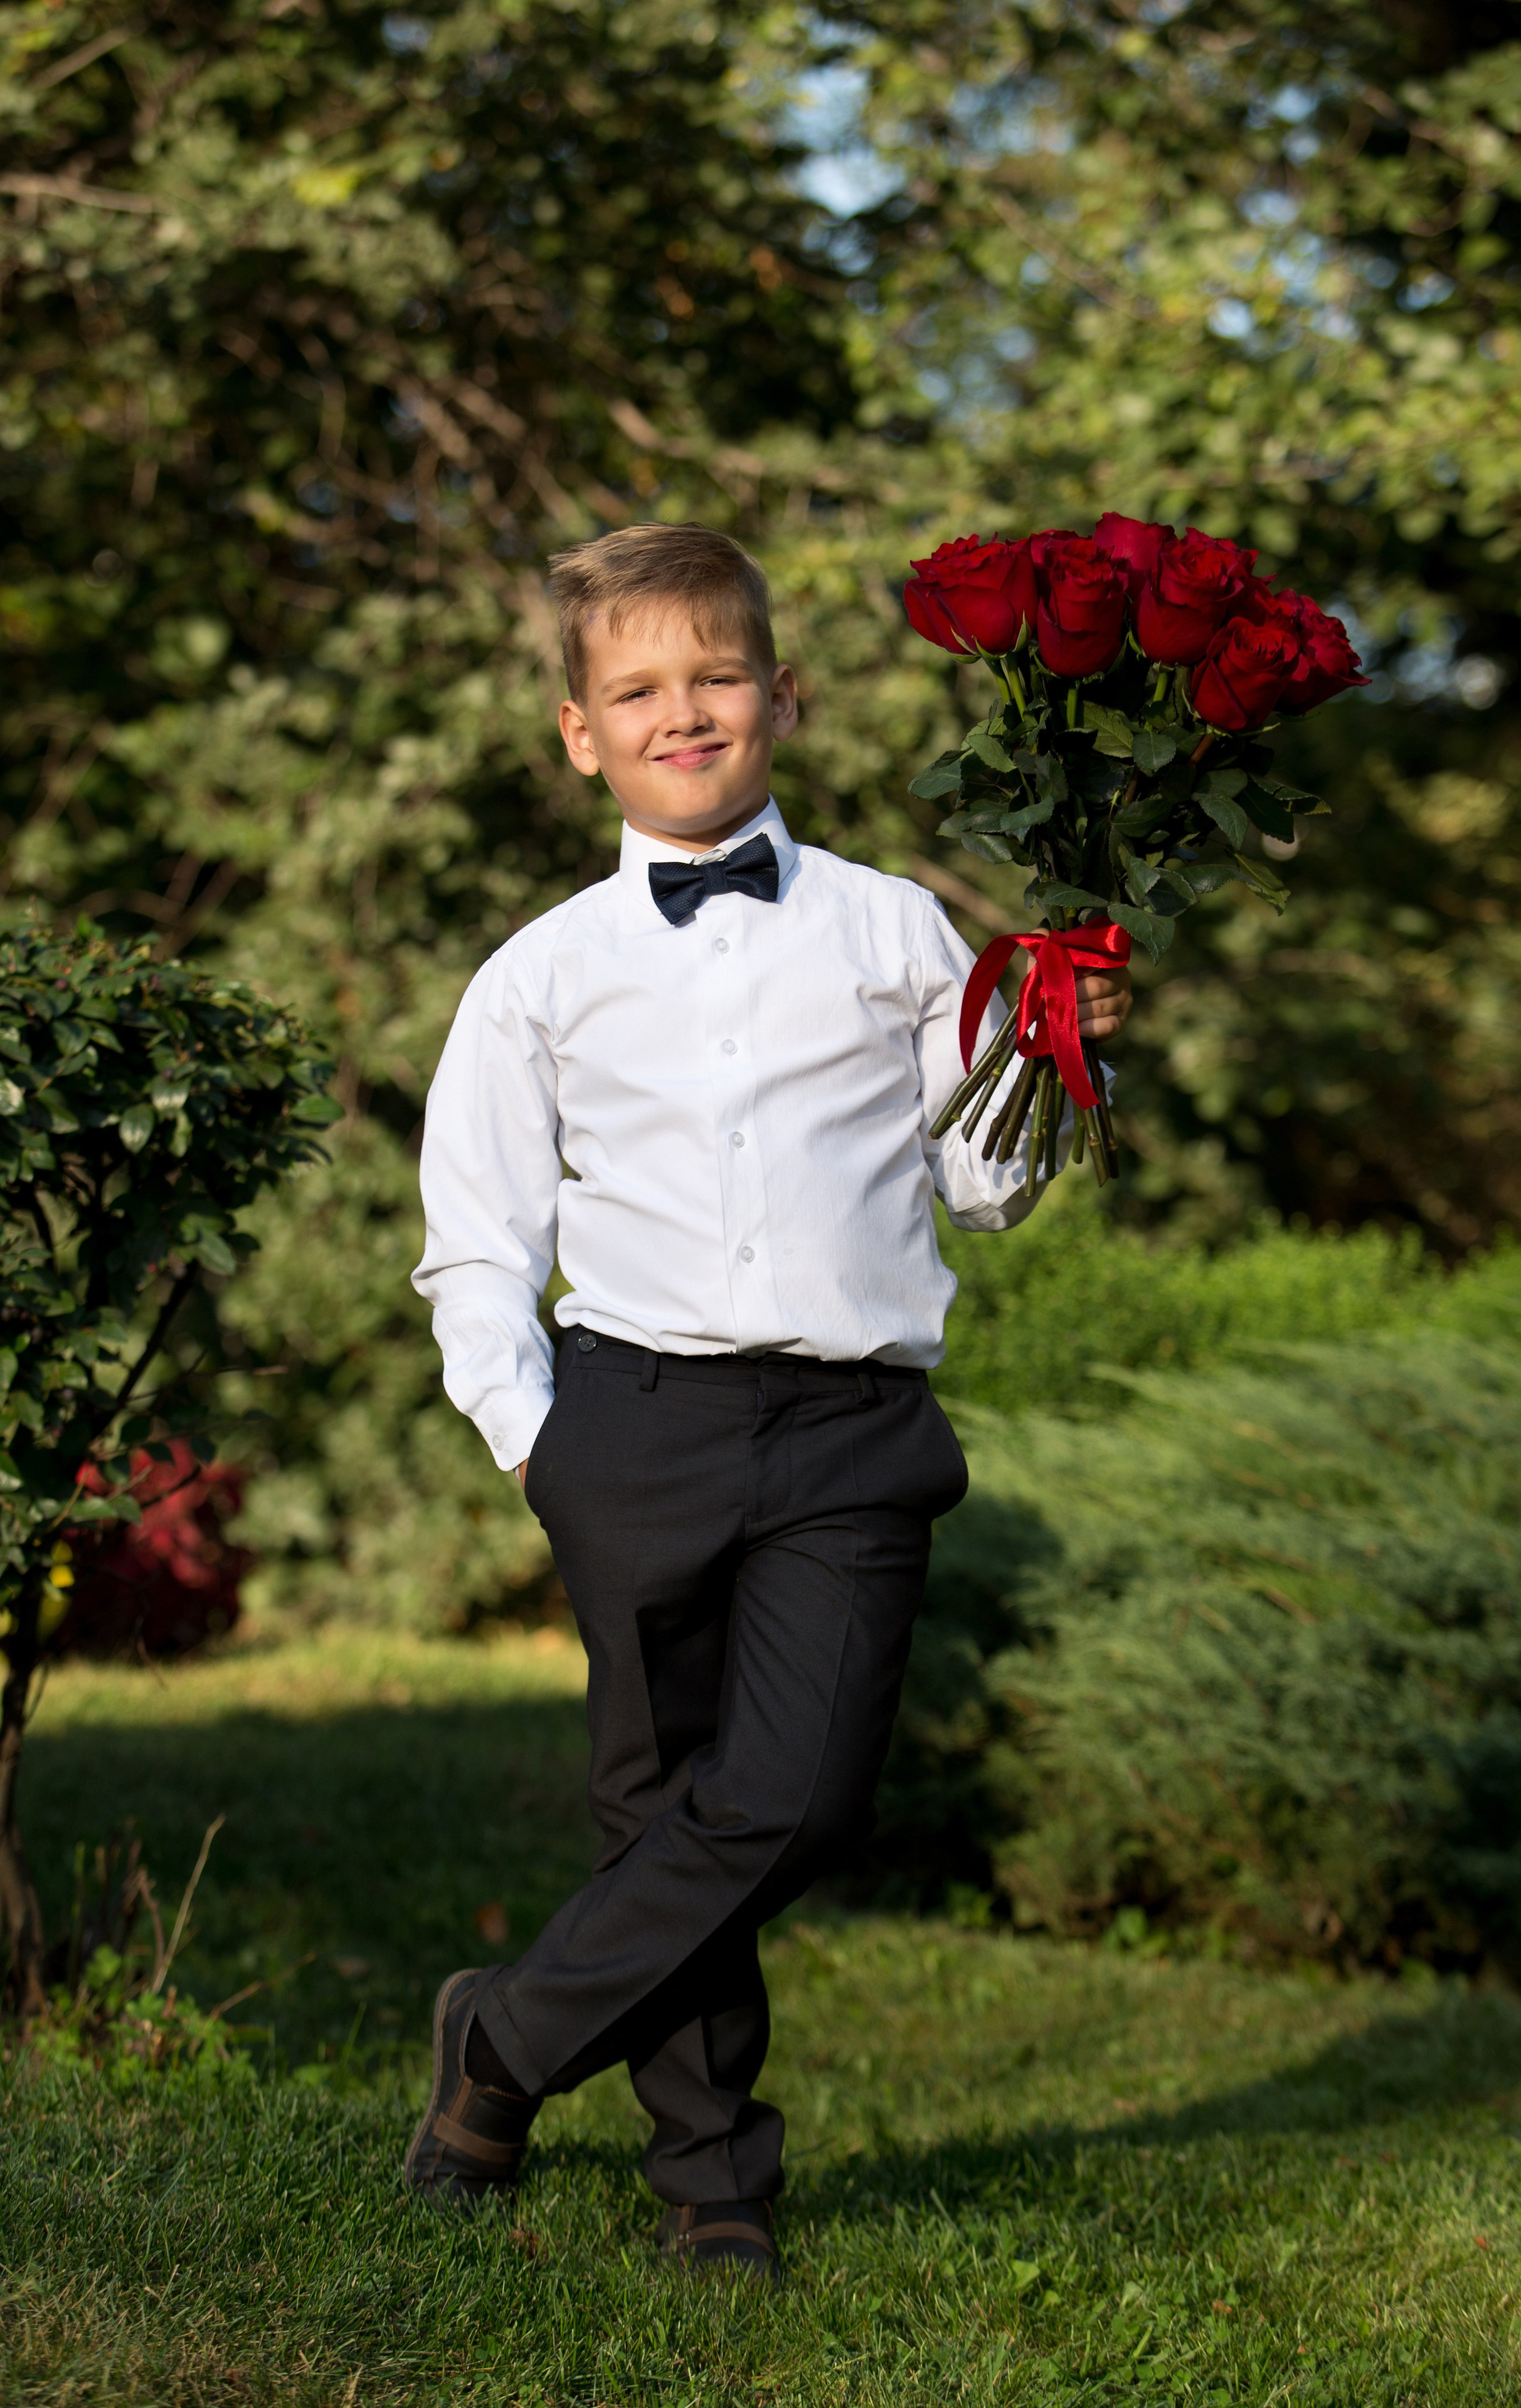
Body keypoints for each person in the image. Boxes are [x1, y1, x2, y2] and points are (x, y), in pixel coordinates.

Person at [406, 523, 1132, 2284]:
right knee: (660, 1806)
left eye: (716, 677)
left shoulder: (894, 930)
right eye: (638, 689)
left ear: (781, 698)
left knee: (797, 1797)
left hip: (848, 1435)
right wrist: (537, 1438)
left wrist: (1056, 1048)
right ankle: (712, 2177)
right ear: (581, 733)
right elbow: (477, 1234)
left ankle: (501, 2040)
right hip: (631, 1423)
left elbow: (982, 1186)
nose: (684, 712)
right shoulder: (542, 976)